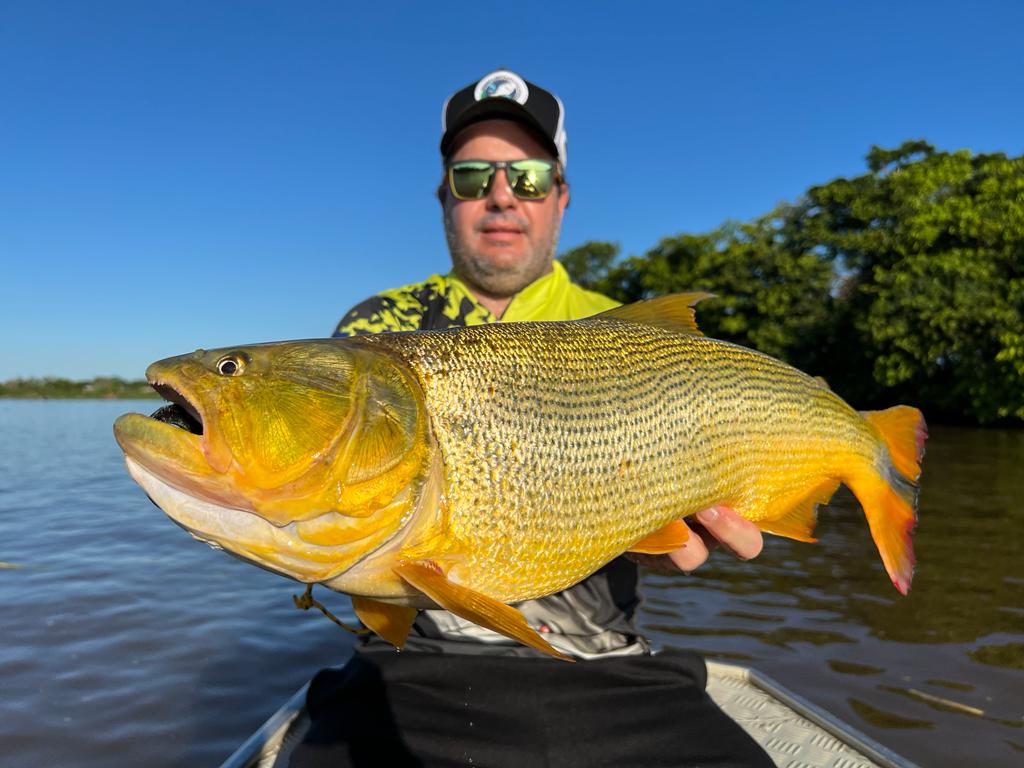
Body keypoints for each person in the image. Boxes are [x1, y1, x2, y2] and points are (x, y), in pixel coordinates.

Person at [287, 70, 772, 768]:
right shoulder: (374, 331)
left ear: (562, 198)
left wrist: (716, 506)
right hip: (412, 666)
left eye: (530, 177)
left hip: (605, 668)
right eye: (472, 176)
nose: (501, 195)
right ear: (444, 198)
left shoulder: (628, 334)